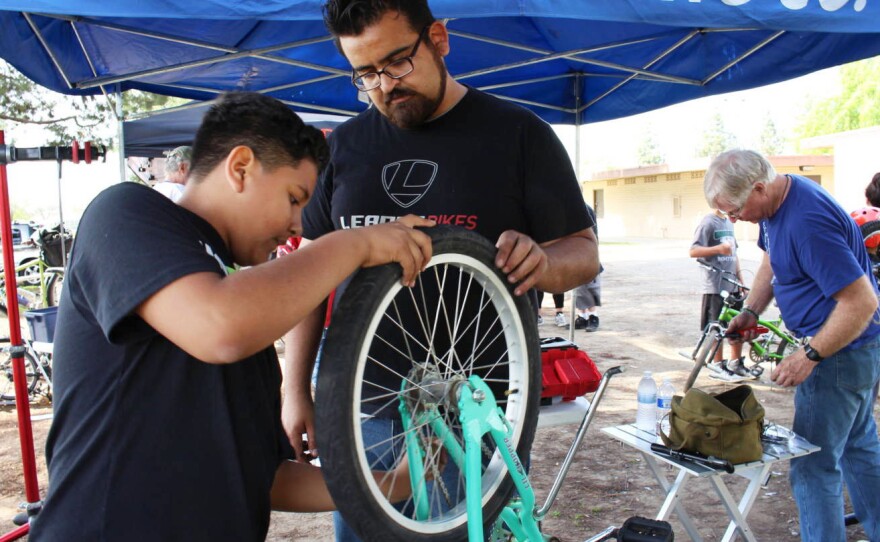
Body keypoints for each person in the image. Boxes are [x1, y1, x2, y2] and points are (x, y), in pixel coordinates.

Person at [30, 92, 437, 541]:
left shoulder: (244, 306)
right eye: (294, 198)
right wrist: (351, 243)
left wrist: (397, 482)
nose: (298, 226)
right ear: (240, 167)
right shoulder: (127, 213)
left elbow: (263, 476)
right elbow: (218, 327)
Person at [282, 1, 599, 540]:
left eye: (397, 62)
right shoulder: (347, 146)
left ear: (438, 39)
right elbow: (310, 278)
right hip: (362, 400)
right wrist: (296, 389)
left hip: (475, 407)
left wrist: (543, 262)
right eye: (366, 74)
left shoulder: (519, 134)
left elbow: (584, 254)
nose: (384, 85)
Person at [710, 149, 880, 542]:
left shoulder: (808, 222)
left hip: (839, 355)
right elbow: (772, 259)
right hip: (856, 351)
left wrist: (811, 355)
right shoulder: (776, 200)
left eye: (735, 211)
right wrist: (752, 309)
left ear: (758, 188)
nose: (735, 220)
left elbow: (863, 301)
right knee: (859, 446)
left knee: (812, 465)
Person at [689, 209, 749, 381]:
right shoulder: (708, 222)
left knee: (737, 326)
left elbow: (734, 254)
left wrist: (741, 281)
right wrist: (718, 248)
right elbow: (693, 251)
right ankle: (717, 364)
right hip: (715, 285)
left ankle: (735, 363)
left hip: (732, 284)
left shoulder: (729, 222)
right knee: (716, 328)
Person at [574, 204, 601, 332]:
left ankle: (593, 317)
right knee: (579, 288)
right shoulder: (571, 207)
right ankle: (582, 317)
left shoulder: (584, 208)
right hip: (575, 253)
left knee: (590, 286)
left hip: (586, 252)